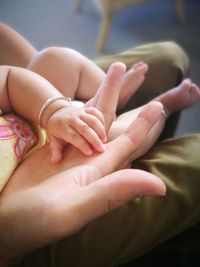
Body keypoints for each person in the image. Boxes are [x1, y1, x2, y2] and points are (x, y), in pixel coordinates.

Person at [0, 22, 200, 267]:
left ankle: (110, 95)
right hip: (35, 178)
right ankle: (163, 106)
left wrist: (54, 111)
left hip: (35, 114)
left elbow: (8, 77)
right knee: (121, 136)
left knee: (53, 59)